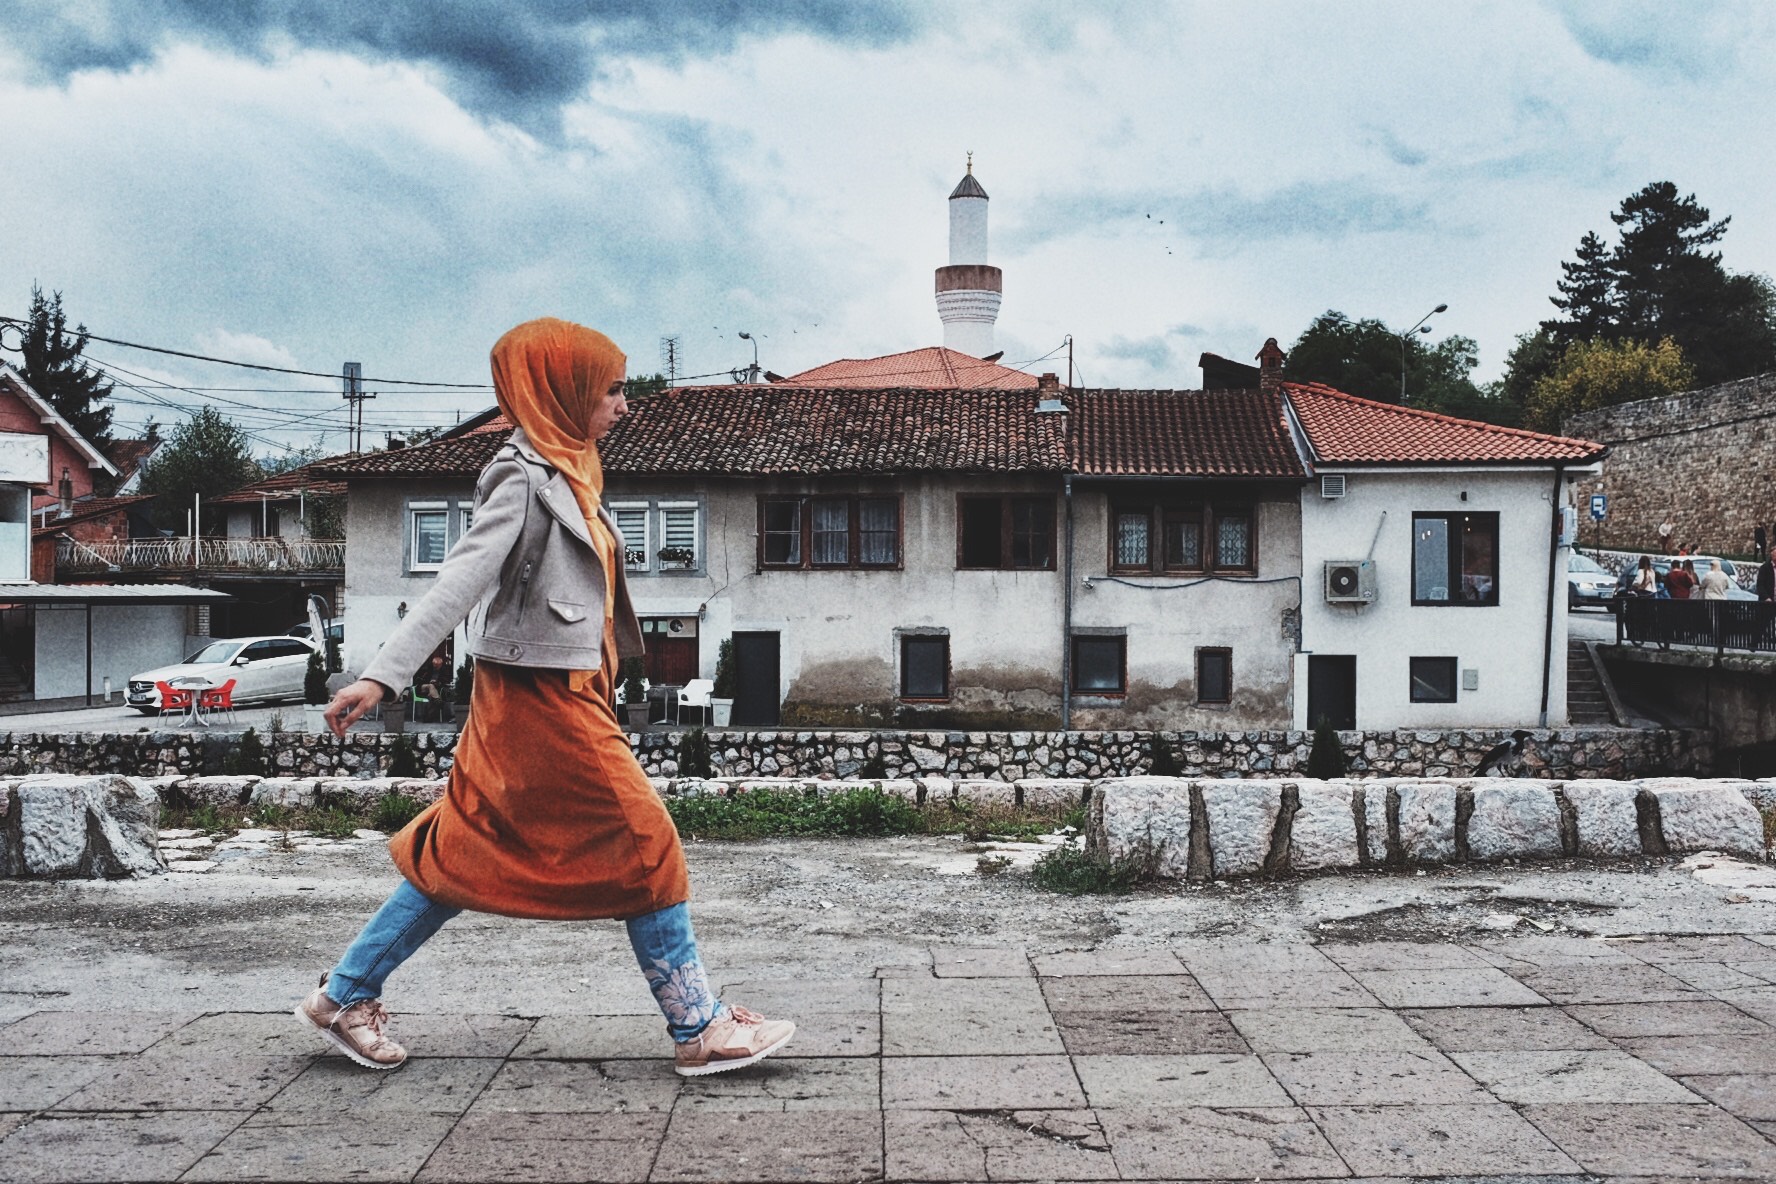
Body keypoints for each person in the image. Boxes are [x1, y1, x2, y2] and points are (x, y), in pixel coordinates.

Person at [296, 318, 794, 1075]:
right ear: (562, 391)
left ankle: (344, 994)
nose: (625, 406)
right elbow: (460, 576)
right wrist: (380, 674)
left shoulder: (573, 467)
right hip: (538, 699)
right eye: (612, 390)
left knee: (461, 852)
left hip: (568, 693)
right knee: (646, 841)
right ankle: (698, 1027)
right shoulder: (522, 475)